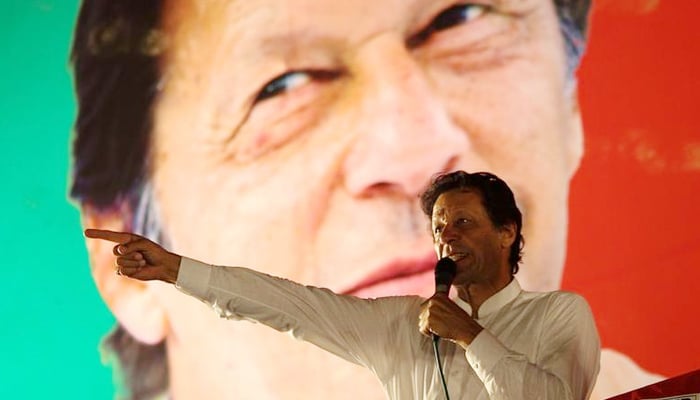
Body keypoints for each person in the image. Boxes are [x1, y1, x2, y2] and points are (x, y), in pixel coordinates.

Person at [69, 0, 660, 398]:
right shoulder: (381, 330)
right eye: (281, 87)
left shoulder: (563, 322)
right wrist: (171, 267)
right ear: (120, 278)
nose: (416, 152)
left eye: (460, 18)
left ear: (570, 107)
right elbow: (277, 303)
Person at [86, 170, 601, 399]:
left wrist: (470, 336)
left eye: (463, 222)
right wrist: (176, 269)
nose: (446, 236)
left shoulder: (559, 314)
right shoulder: (403, 323)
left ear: (507, 231)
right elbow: (289, 305)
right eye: (439, 227)